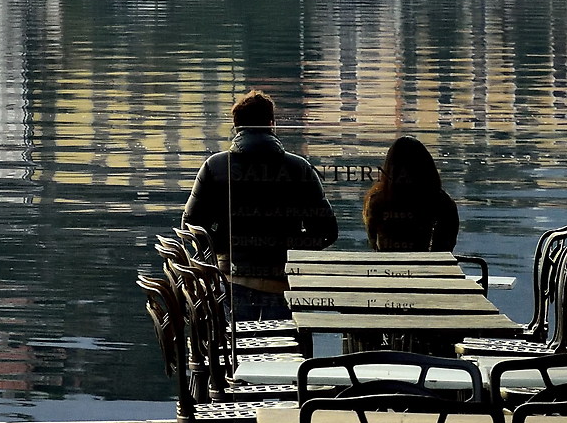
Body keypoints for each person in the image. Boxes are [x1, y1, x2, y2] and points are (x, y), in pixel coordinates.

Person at [181, 88, 339, 318]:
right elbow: (327, 232)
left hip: (231, 282)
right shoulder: (299, 168)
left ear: (236, 127)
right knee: (287, 350)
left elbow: (192, 225)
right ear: (272, 124)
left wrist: (221, 248)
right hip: (283, 283)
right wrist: (288, 246)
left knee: (236, 346)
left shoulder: (214, 167)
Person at [363, 135, 460, 251]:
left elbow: (373, 243)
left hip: (387, 267)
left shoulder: (375, 200)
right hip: (426, 266)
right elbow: (445, 247)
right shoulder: (440, 201)